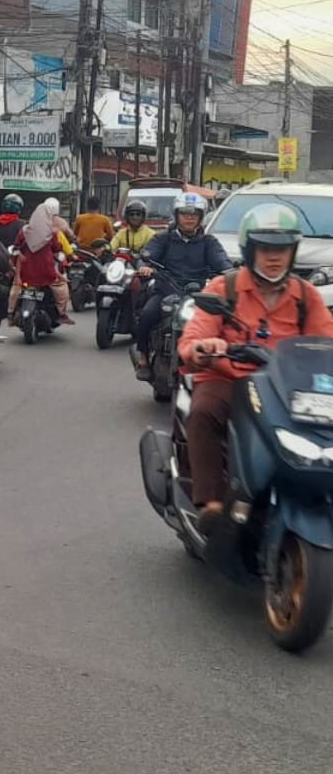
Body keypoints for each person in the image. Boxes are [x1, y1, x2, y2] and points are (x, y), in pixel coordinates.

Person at [179, 204, 333, 532]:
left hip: (286, 386)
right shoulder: (225, 287)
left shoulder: (306, 296)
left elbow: (326, 340)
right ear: (250, 250)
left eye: (283, 249)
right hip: (229, 378)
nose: (274, 257)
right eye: (266, 248)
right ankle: (211, 502)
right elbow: (194, 335)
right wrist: (204, 347)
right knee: (204, 412)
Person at [134, 193, 231, 380]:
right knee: (146, 315)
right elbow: (146, 255)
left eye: (194, 213)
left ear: (201, 217)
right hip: (166, 293)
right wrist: (145, 267)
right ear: (177, 215)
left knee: (222, 324)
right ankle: (144, 358)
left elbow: (222, 262)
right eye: (185, 213)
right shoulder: (164, 239)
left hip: (198, 297)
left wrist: (230, 273)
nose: (189, 217)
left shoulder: (209, 242)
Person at [8, 200, 74, 324]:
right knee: (62, 288)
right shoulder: (52, 232)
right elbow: (57, 249)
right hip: (46, 272)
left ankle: (10, 313)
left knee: (16, 288)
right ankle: (62, 314)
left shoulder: (24, 231)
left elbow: (16, 248)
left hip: (25, 272)